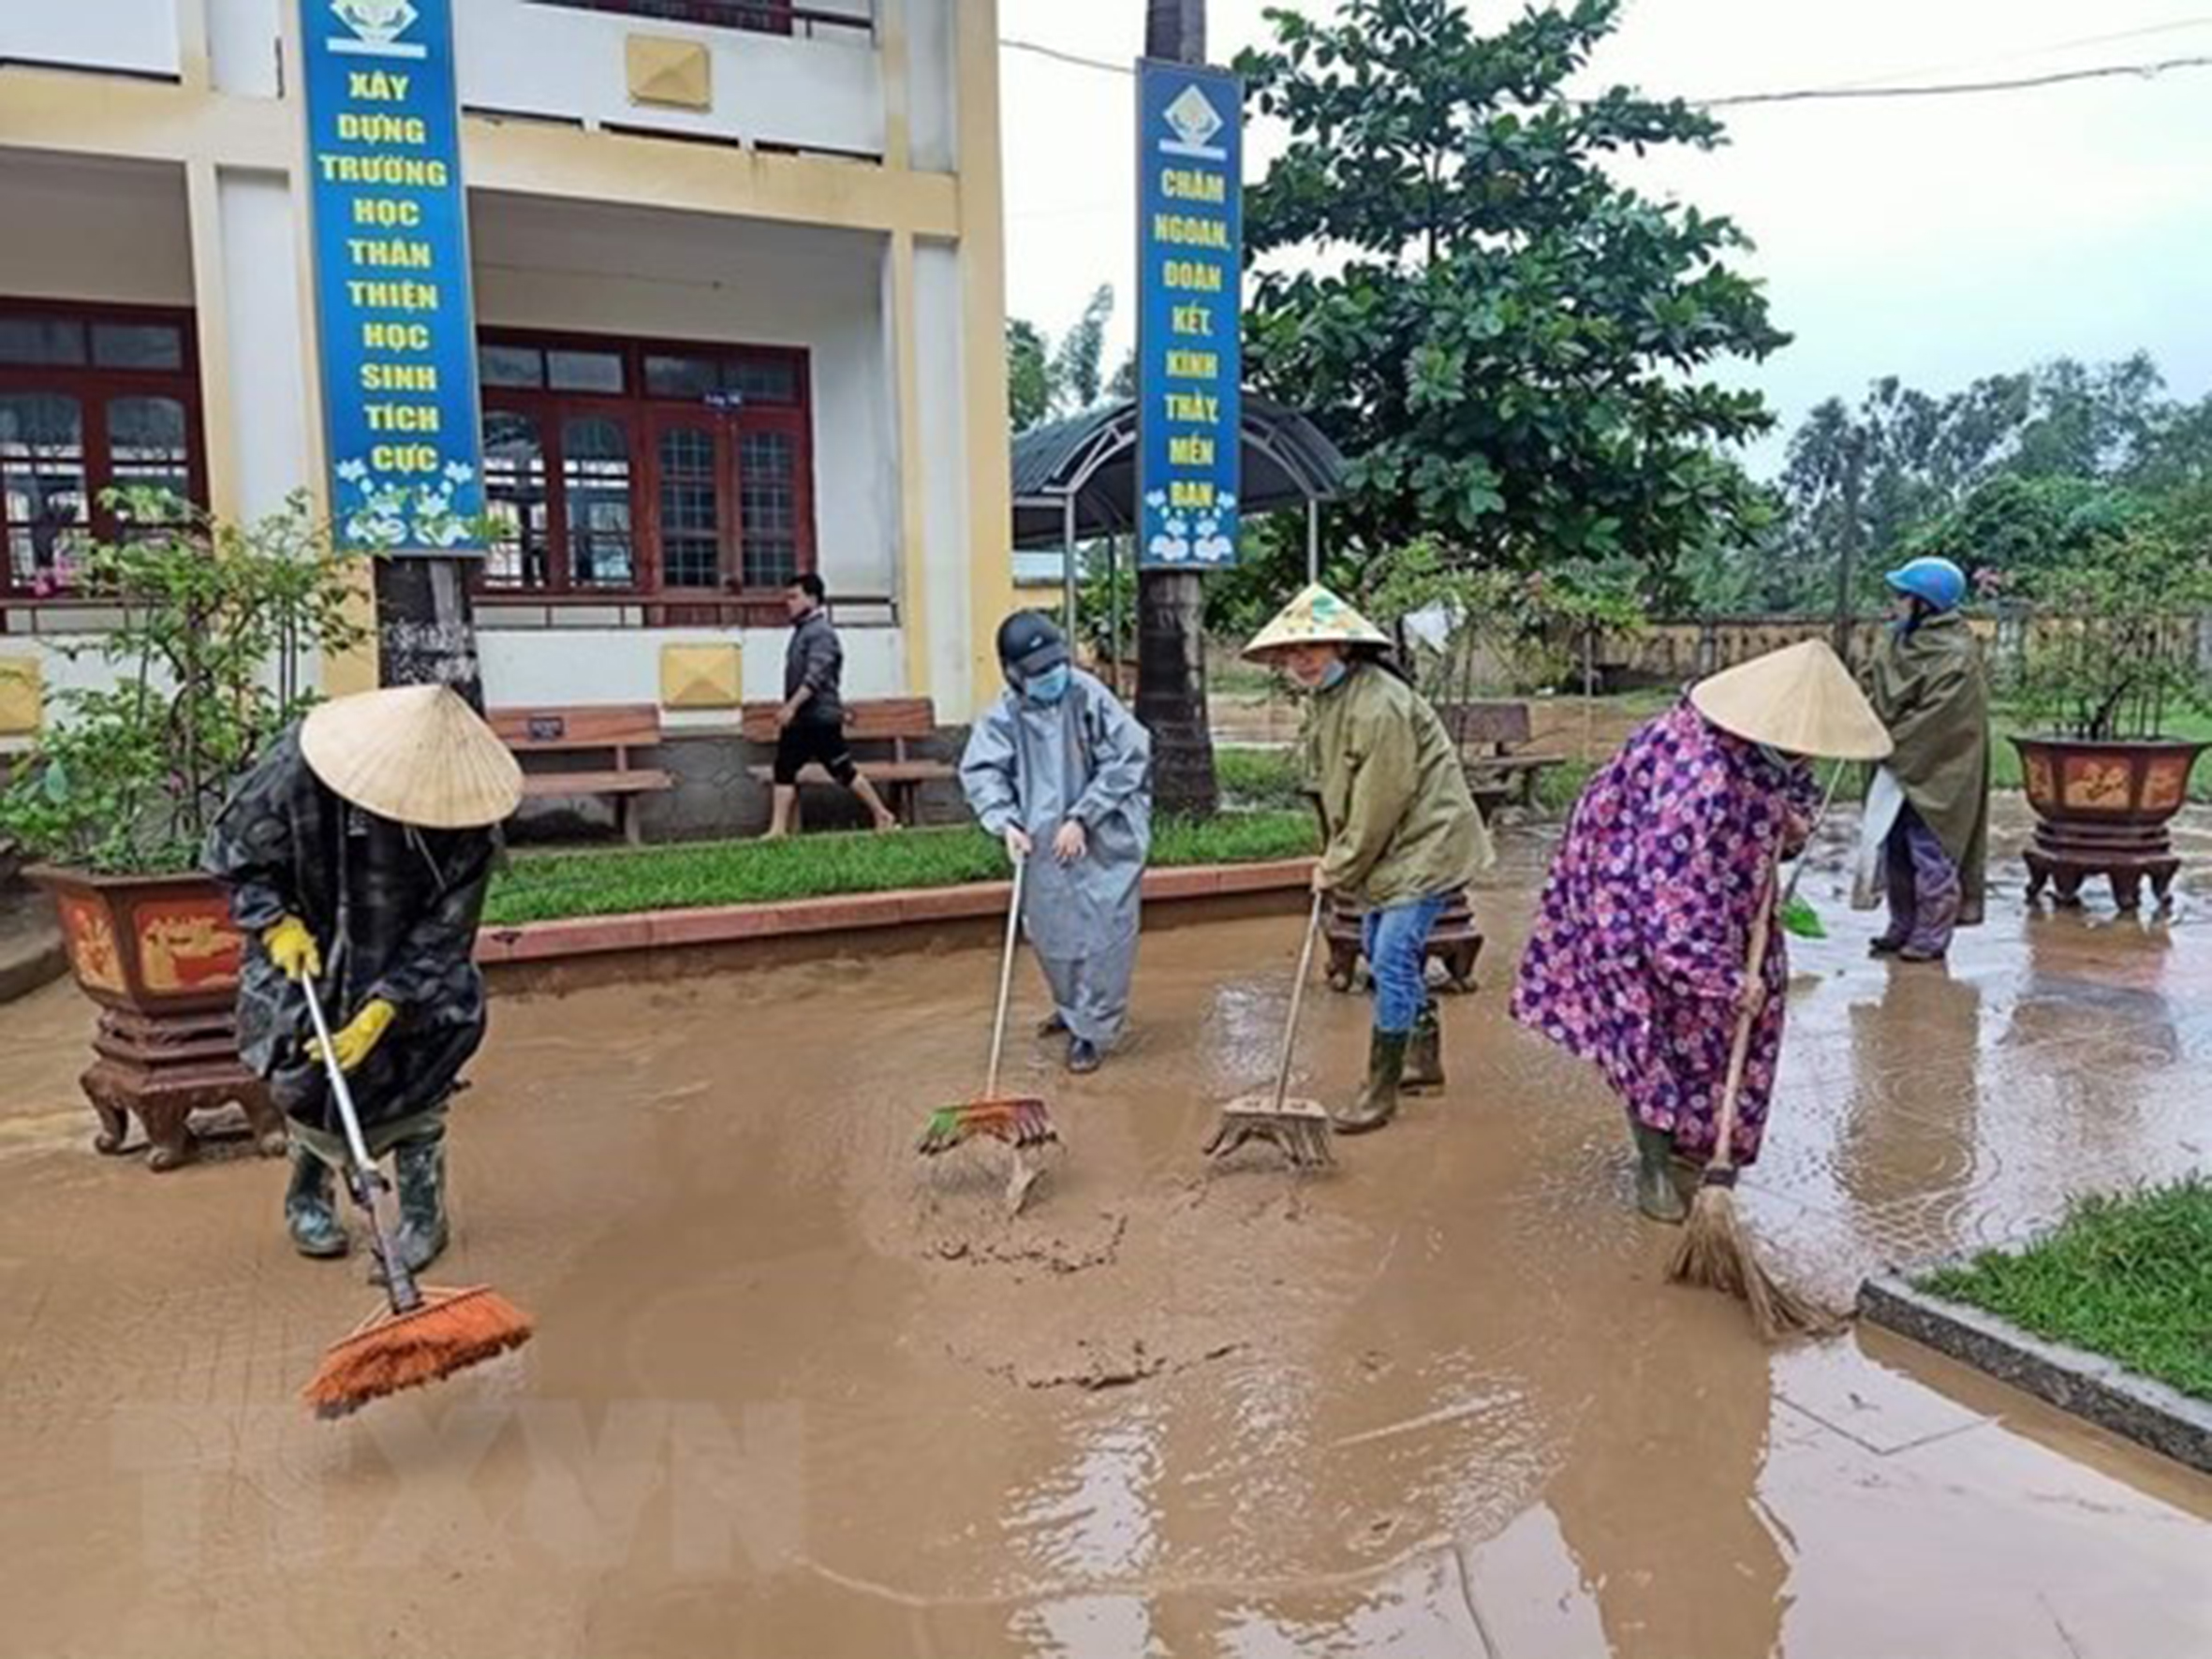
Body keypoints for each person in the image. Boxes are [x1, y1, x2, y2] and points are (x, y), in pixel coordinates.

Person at [1511, 641, 1891, 1222]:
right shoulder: (1695, 773)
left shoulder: (1772, 754)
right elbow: (1669, 908)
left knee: (1745, 1011)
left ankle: (1701, 1140)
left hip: (1722, 897)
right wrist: (1724, 977)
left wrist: (1787, 828)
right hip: (1625, 897)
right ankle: (1655, 1163)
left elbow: (1785, 818)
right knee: (1654, 1024)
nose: (1809, 756)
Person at [205, 684, 521, 1270]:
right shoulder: (297, 766)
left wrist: (383, 1010)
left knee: (418, 1069)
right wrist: (276, 925)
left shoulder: (468, 818)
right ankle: (308, 1198)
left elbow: (445, 934)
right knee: (308, 1067)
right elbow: (235, 852)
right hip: (313, 945)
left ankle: (424, 1213)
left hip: (406, 960)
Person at [1243, 584, 1493, 1134]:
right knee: (1386, 954)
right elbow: (1343, 788)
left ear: (1344, 649)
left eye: (1315, 647)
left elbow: (1380, 800)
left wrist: (1336, 867)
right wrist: (1339, 853)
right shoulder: (1333, 699)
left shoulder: (1378, 705)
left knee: (1392, 956)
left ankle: (1380, 1092)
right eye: (1292, 650)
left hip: (1427, 842)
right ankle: (1422, 1062)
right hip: (1394, 846)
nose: (1301, 660)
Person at [960, 611, 1152, 1074]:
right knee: (1052, 931)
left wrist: (1083, 816)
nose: (1050, 677)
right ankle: (1072, 1010)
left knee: (1106, 932)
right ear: (1013, 673)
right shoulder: (1004, 714)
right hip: (1042, 842)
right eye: (1038, 672)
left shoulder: (1089, 696)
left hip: (1106, 831)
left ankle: (1094, 1030)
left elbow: (1131, 755)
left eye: (1055, 666)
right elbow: (982, 771)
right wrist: (1004, 823)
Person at [1865, 555, 1990, 962]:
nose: (1894, 603)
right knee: (1894, 846)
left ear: (1924, 602)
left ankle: (1931, 936)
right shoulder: (1898, 640)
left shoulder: (1954, 655)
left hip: (1936, 768)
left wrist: (1887, 741)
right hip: (1894, 763)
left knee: (1930, 849)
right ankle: (1901, 925)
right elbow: (1873, 684)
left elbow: (1940, 721)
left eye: (1902, 596)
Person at [767, 573, 899, 838]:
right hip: (802, 720)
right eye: (787, 598)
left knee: (842, 770)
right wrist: (792, 710)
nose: (788, 603)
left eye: (794, 597)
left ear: (813, 599)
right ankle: (778, 829)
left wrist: (791, 706)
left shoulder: (822, 634)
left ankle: (882, 814)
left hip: (820, 718)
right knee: (784, 768)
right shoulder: (803, 631)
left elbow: (815, 676)